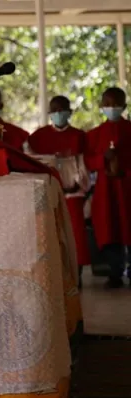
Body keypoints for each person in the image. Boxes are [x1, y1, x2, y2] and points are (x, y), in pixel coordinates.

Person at [28, 95, 91, 285]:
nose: (58, 114)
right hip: (49, 191)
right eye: (54, 110)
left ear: (69, 112)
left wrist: (79, 184)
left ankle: (76, 273)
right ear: (49, 114)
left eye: (62, 109)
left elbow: (82, 164)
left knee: (76, 235)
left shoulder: (79, 136)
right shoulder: (39, 137)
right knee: (51, 234)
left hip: (73, 192)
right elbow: (33, 161)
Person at [84, 87, 131, 288]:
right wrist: (103, 158)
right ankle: (115, 272)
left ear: (124, 106)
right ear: (101, 107)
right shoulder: (94, 135)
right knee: (110, 228)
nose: (112, 108)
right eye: (108, 104)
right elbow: (87, 161)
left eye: (116, 104)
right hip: (106, 190)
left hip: (128, 186)